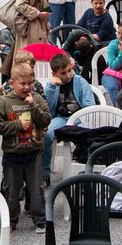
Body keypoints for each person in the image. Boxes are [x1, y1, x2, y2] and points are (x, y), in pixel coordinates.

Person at [0, 62, 51, 233]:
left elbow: (46, 120)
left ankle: (39, 218)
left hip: (34, 152)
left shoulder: (38, 99)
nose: (27, 87)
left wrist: (33, 106)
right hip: (13, 153)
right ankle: (11, 220)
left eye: (31, 82)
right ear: (12, 84)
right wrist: (17, 125)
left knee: (37, 188)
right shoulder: (5, 102)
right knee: (11, 189)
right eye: (23, 83)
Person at [43, 53, 95, 186]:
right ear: (55, 74)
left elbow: (89, 106)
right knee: (47, 134)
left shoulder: (80, 81)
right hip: (61, 118)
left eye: (69, 71)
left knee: (87, 132)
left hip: (80, 117)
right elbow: (46, 109)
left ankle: (85, 167)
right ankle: (45, 173)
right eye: (63, 73)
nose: (67, 75)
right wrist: (51, 87)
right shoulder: (52, 85)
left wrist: (77, 119)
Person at [0, 0, 55, 77]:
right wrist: (38, 14)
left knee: (34, 60)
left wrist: (45, 22)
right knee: (29, 60)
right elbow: (20, 4)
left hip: (37, 28)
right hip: (31, 30)